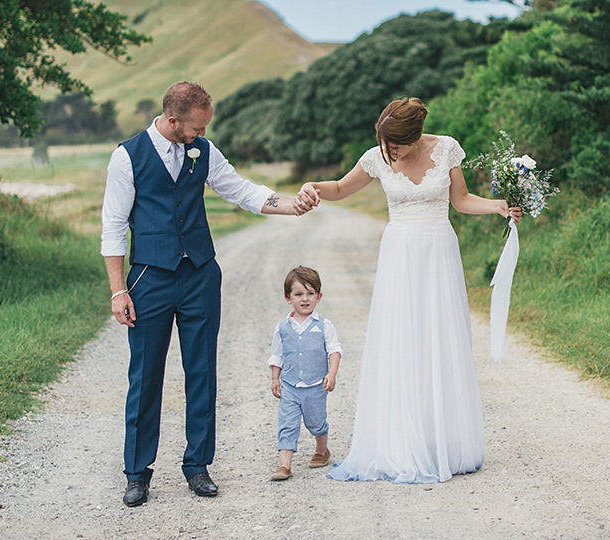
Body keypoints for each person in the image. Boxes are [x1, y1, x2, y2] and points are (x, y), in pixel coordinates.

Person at [102, 81, 318, 507]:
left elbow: (241, 190)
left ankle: (198, 466)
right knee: (145, 376)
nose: (201, 135)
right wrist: (117, 291)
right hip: (150, 276)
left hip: (200, 274)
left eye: (205, 127)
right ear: (171, 119)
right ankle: (137, 473)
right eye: (196, 127)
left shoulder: (203, 149)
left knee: (202, 370)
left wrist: (290, 204)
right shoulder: (127, 157)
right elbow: (113, 226)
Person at [301, 98, 521, 484]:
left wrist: (499, 206)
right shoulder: (376, 156)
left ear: (416, 137)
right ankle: (399, 441)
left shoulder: (448, 148)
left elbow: (461, 200)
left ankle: (443, 443)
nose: (390, 152)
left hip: (438, 252)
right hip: (399, 256)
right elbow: (338, 187)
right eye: (385, 144)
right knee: (402, 341)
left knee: (439, 339)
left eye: (396, 145)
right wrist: (312, 186)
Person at [267, 265, 342, 481]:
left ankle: (321, 450)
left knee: (316, 422)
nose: (305, 299)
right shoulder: (282, 327)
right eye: (298, 294)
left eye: (310, 293)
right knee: (287, 423)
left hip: (315, 385)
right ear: (288, 297)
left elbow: (334, 350)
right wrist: (275, 378)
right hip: (290, 386)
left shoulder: (324, 325)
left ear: (319, 297)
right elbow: (277, 355)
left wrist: (332, 373)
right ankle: (285, 465)